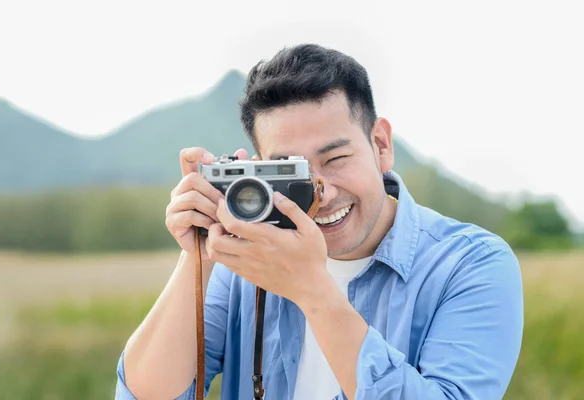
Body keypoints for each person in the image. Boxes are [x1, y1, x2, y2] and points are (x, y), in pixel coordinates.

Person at [113, 44, 524, 400]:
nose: (319, 191)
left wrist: (311, 289)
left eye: (336, 159)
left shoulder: (471, 265)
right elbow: (147, 393)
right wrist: (198, 257)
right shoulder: (244, 264)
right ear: (259, 173)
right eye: (289, 171)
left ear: (380, 145)